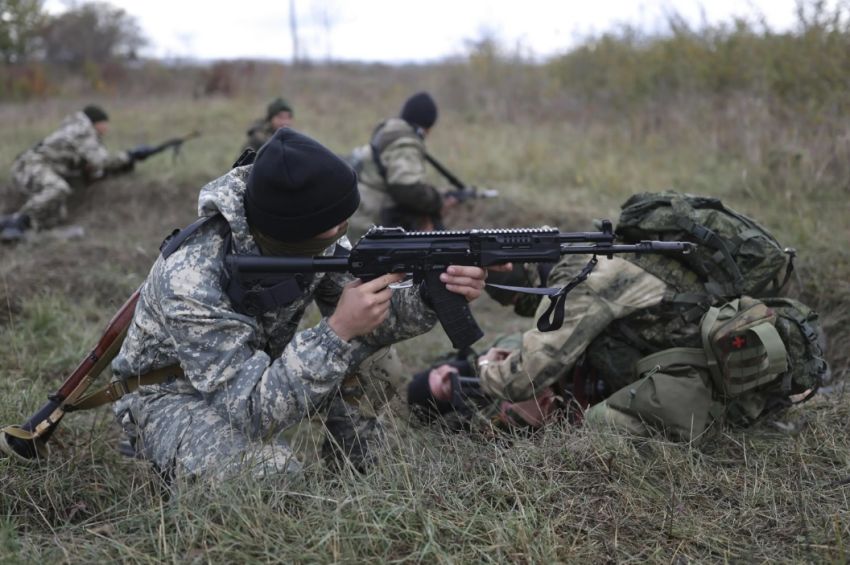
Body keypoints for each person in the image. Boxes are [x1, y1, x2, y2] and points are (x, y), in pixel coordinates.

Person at [110, 128, 490, 480]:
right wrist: (336, 332)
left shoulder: (310, 234)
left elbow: (375, 318)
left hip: (250, 373)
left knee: (377, 362)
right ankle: (164, 453)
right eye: (335, 225)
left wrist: (431, 294)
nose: (343, 231)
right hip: (170, 394)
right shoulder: (192, 278)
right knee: (272, 475)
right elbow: (251, 409)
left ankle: (356, 476)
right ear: (291, 230)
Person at [410, 200, 829, 442]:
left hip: (725, 382)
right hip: (734, 358)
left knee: (593, 433)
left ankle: (731, 419)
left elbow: (523, 377)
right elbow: (547, 305)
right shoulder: (602, 258)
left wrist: (483, 374)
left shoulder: (590, 282)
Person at [2, 105, 134, 242]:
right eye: (104, 123)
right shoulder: (83, 132)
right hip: (31, 166)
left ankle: (8, 223)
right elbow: (102, 161)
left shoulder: (75, 129)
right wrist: (129, 155)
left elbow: (89, 164)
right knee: (58, 188)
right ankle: (17, 223)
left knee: (56, 215)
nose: (107, 128)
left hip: (33, 166)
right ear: (96, 122)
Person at [350, 91, 457, 236]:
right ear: (426, 127)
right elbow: (406, 188)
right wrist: (437, 202)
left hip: (360, 215)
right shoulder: (404, 142)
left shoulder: (389, 134)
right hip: (370, 224)